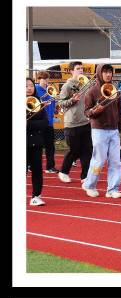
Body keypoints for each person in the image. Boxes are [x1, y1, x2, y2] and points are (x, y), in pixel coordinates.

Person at [80, 64, 121, 199]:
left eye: (110, 72)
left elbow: (118, 109)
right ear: (99, 73)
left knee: (116, 161)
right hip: (99, 130)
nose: (108, 74)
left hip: (113, 130)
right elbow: (86, 112)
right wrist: (94, 111)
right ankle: (90, 185)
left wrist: (119, 125)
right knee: (99, 160)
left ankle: (113, 188)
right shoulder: (92, 91)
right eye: (105, 72)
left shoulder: (114, 89)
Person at [56, 62, 94, 185]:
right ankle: (63, 171)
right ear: (71, 71)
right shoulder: (67, 86)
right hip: (72, 123)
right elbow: (60, 102)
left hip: (85, 121)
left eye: (82, 68)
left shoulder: (86, 83)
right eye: (78, 69)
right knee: (74, 150)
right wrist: (73, 100)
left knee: (87, 150)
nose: (81, 71)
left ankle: (85, 176)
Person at [26, 78, 49, 207]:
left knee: (37, 169)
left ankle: (36, 195)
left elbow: (44, 122)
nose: (29, 88)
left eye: (31, 85)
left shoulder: (39, 102)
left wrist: (28, 124)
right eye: (26, 86)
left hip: (35, 141)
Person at [33, 72, 58, 173]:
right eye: (43, 79)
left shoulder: (50, 89)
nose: (46, 81)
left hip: (49, 122)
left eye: (47, 79)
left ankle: (50, 167)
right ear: (39, 79)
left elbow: (53, 103)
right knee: (36, 145)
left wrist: (55, 109)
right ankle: (31, 165)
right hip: (39, 121)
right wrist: (45, 95)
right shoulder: (36, 89)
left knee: (50, 146)